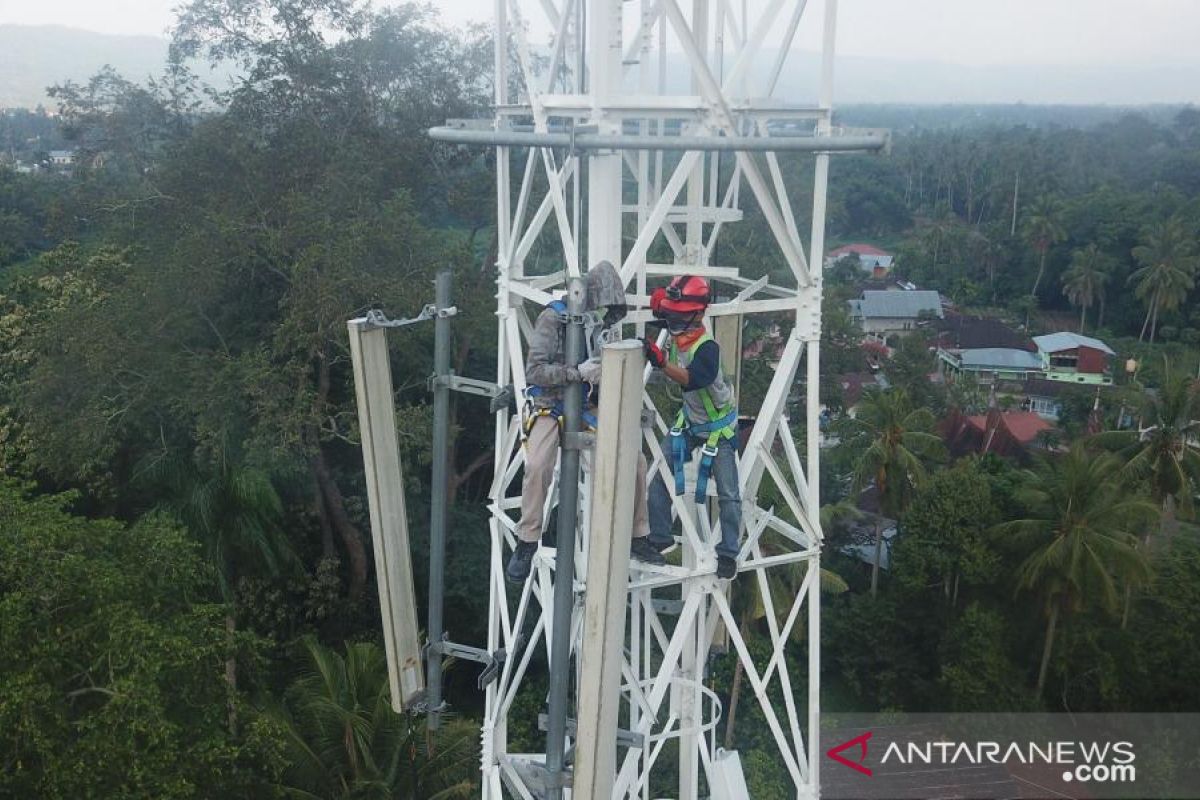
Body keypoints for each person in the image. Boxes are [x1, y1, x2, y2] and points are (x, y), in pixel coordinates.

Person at [507, 261, 666, 583]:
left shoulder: (602, 326)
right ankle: (527, 540)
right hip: (551, 404)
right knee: (537, 464)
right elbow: (535, 371)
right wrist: (575, 372)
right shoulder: (553, 318)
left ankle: (638, 534)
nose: (604, 310)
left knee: (634, 462)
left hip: (589, 404)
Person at [642, 275, 741, 580]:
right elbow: (662, 311)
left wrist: (661, 364)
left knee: (728, 493)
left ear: (698, 314)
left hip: (717, 429)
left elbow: (694, 378)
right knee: (659, 476)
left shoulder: (706, 348)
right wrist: (658, 302)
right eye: (673, 313)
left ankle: (729, 552)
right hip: (689, 421)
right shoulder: (677, 326)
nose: (674, 319)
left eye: (680, 313)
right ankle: (660, 536)